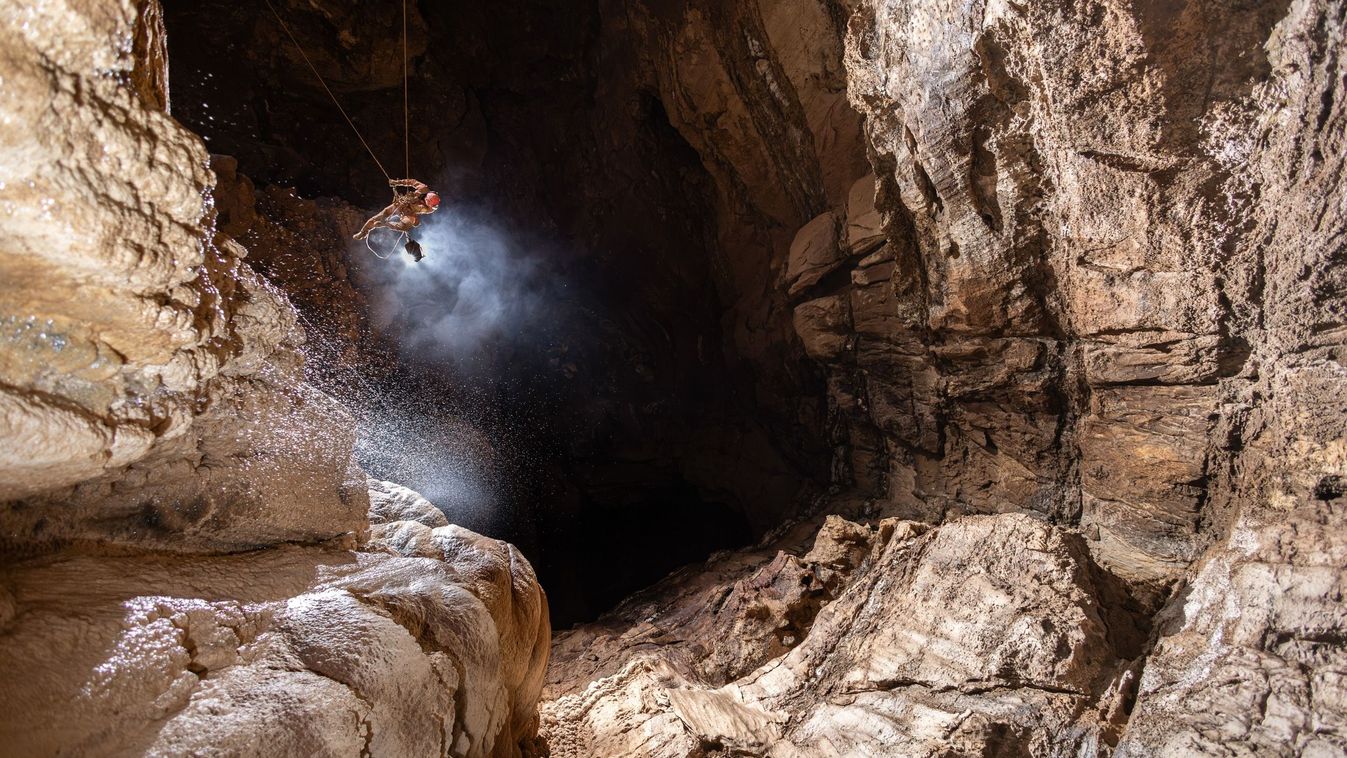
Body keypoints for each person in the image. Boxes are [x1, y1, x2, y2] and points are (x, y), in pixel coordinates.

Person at [353, 178, 441, 242]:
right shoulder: (423, 189)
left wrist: (414, 219)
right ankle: (363, 232)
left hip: (409, 213)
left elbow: (416, 214)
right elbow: (412, 182)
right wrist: (397, 182)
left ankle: (384, 224)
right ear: (426, 200)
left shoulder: (431, 209)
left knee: (403, 227)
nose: (431, 208)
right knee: (377, 217)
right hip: (400, 205)